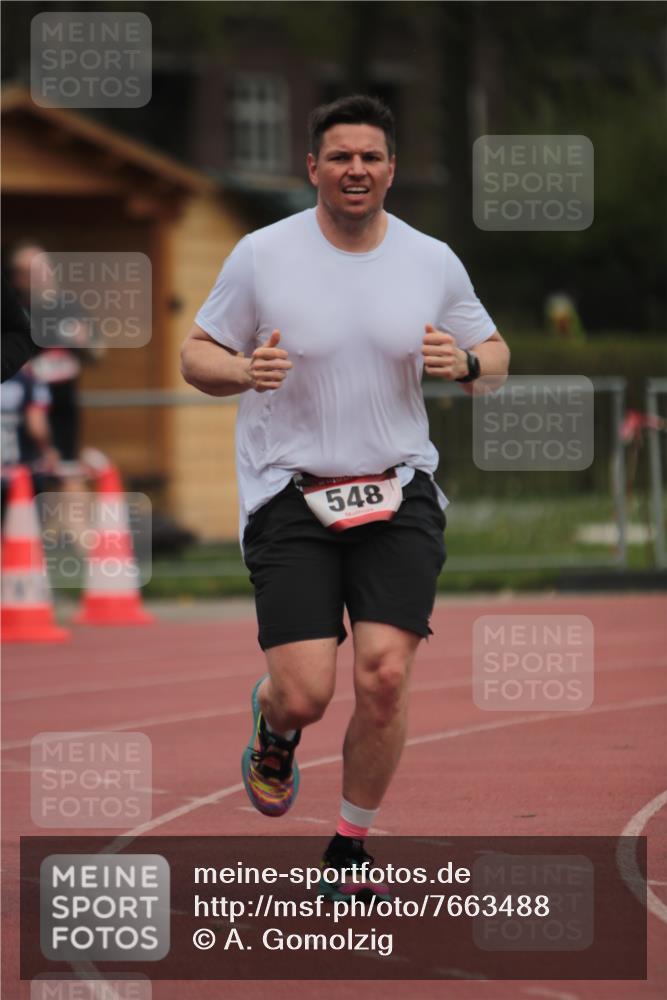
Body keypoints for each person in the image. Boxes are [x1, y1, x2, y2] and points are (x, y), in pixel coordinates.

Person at [181, 95, 510, 900]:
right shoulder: (262, 254)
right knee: (306, 693)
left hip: (399, 487)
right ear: (313, 170)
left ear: (391, 170)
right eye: (339, 157)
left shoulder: (431, 260)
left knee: (384, 675)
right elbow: (197, 354)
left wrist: (464, 367)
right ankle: (273, 723)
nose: (355, 169)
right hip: (290, 495)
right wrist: (241, 372)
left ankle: (349, 845)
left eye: (370, 156)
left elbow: (496, 352)